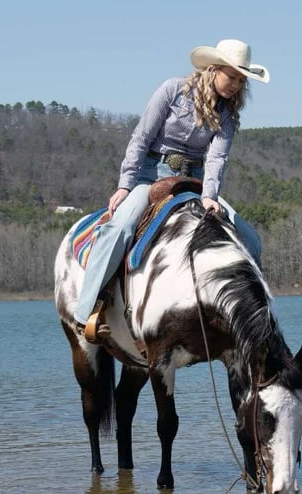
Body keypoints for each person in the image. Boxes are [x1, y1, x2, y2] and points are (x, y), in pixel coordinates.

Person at [73, 38, 270, 342]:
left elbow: (217, 159)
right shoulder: (172, 91)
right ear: (213, 69)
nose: (236, 85)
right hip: (151, 176)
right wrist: (126, 184)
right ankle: (86, 312)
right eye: (231, 77)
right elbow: (141, 137)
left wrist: (210, 197)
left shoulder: (228, 116)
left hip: (196, 183)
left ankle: (252, 322)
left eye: (242, 81)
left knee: (251, 239)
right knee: (120, 228)